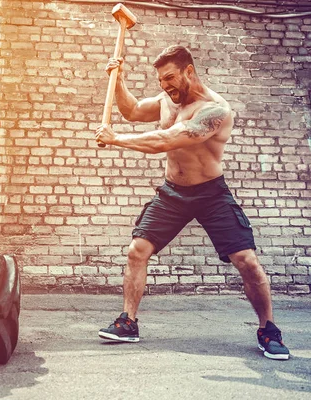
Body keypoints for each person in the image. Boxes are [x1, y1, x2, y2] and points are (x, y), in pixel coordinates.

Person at [95, 45, 289, 360]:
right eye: (160, 80)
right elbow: (130, 111)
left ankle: (268, 330)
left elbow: (167, 140)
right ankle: (128, 322)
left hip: (211, 194)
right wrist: (117, 81)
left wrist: (116, 139)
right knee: (137, 251)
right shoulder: (163, 102)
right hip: (173, 193)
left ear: (189, 71)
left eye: (169, 78)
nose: (165, 86)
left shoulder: (215, 110)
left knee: (247, 261)